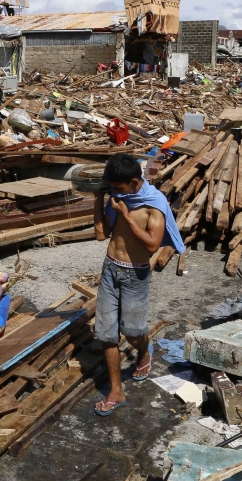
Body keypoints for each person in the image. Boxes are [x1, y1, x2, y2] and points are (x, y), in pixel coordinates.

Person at [91, 153, 184, 416]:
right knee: (106, 334)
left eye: (118, 187)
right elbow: (101, 234)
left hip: (136, 275)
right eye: (111, 187)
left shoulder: (154, 203)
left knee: (132, 331)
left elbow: (153, 245)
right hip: (110, 269)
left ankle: (143, 350)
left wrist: (127, 216)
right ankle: (116, 391)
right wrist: (98, 199)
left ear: (134, 182)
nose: (115, 192)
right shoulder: (117, 197)